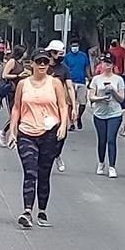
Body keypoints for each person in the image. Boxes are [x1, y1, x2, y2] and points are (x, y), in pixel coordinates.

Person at [8, 49, 68, 228]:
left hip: (49, 133)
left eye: (45, 61)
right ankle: (27, 211)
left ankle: (42, 211)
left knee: (44, 173)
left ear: (48, 64)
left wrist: (63, 125)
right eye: (38, 61)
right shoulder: (23, 84)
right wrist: (12, 130)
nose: (42, 65)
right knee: (30, 172)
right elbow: (16, 108)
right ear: (32, 64)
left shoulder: (55, 83)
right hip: (26, 132)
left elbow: (63, 106)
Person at [89, 54, 125, 177]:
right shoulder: (96, 79)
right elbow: (91, 97)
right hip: (100, 113)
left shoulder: (118, 80)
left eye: (109, 63)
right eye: (105, 63)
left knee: (111, 139)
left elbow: (121, 98)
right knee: (102, 140)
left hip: (114, 113)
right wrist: (101, 98)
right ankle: (101, 162)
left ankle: (112, 167)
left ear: (113, 65)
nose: (106, 65)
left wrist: (113, 91)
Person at [44, 40, 75, 172]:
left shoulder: (64, 69)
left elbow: (69, 87)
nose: (61, 56)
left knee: (63, 132)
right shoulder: (43, 67)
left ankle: (57, 154)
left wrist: (74, 106)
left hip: (60, 105)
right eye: (58, 53)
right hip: (44, 105)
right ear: (51, 53)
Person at [0, 45, 28, 146]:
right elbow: (4, 75)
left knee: (20, 115)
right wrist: (17, 76)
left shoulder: (20, 63)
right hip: (12, 91)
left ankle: (14, 137)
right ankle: (4, 132)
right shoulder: (12, 62)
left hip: (20, 91)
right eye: (25, 52)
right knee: (14, 115)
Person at [64, 38, 92, 131]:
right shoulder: (67, 57)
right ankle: (71, 123)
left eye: (76, 46)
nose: (74, 47)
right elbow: (65, 69)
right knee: (70, 103)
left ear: (79, 46)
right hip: (70, 82)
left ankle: (79, 117)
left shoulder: (83, 56)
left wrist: (89, 77)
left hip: (81, 81)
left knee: (83, 103)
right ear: (70, 46)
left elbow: (87, 67)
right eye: (73, 46)